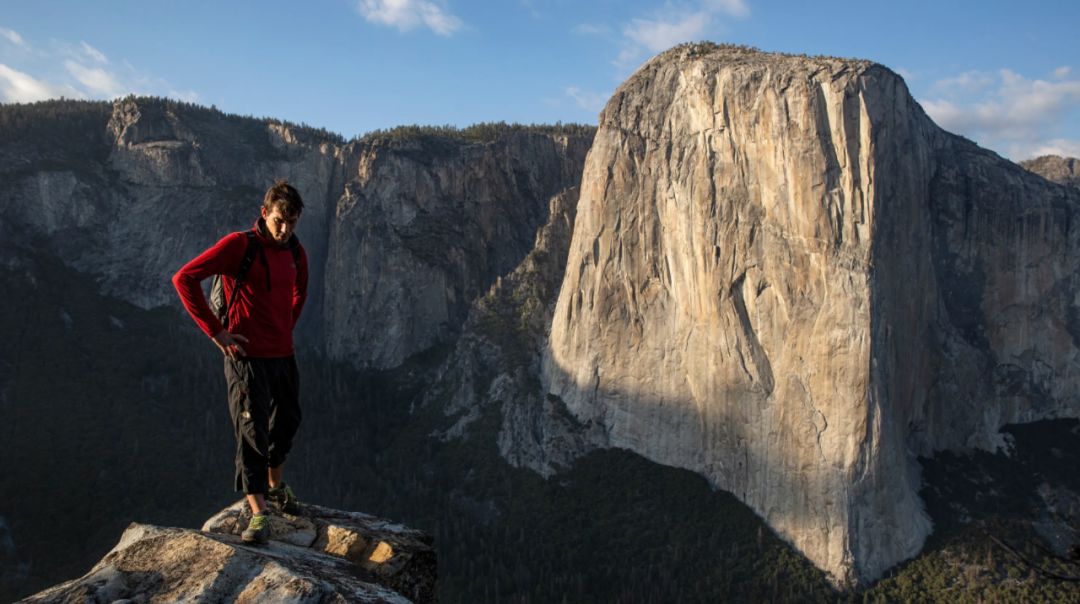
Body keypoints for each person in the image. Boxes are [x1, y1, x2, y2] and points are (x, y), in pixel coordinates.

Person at [172, 180, 309, 544]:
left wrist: (283, 327)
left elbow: (300, 290)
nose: (285, 230)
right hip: (245, 357)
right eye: (280, 220)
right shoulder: (239, 246)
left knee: (289, 420)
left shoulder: (295, 252)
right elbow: (184, 278)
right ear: (264, 213)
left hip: (283, 355)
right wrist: (217, 333)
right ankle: (259, 511)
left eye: (292, 223)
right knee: (252, 432)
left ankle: (275, 486)